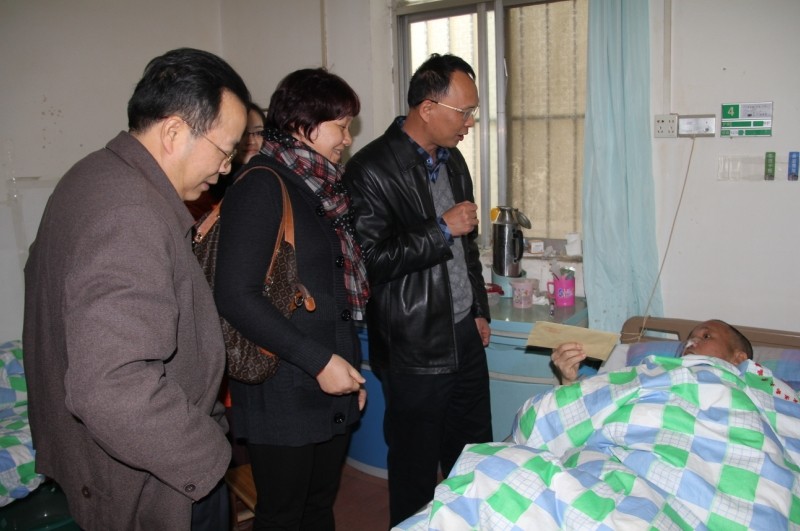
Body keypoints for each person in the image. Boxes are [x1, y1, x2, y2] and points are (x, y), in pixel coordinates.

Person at [22, 48, 249, 530]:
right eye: (225, 150)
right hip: (159, 481)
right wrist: (208, 455)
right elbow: (110, 386)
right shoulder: (132, 213)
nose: (226, 168)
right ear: (174, 132)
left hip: (114, 466)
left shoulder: (91, 174)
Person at [214, 67, 369, 530]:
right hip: (281, 388)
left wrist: (347, 370)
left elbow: (332, 292)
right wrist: (320, 362)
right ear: (304, 125)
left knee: (318, 507)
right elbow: (235, 296)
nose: (347, 138)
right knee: (283, 515)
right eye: (341, 126)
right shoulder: (262, 184)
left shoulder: (322, 188)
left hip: (329, 379)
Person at [343, 53, 493, 527]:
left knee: (474, 458)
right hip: (414, 345)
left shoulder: (453, 161)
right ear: (427, 108)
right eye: (464, 112)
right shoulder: (370, 169)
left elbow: (468, 248)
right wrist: (440, 229)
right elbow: (369, 262)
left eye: (473, 112)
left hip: (464, 333)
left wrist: (478, 308)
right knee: (414, 465)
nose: (470, 123)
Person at [551, 319, 754, 385]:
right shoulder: (651, 371)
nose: (692, 342)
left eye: (706, 336)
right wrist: (568, 379)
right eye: (690, 338)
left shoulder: (757, 387)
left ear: (738, 359)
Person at [186, 101, 267, 220]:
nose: (251, 141)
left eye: (258, 132)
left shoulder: (268, 176)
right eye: (243, 133)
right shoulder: (205, 181)